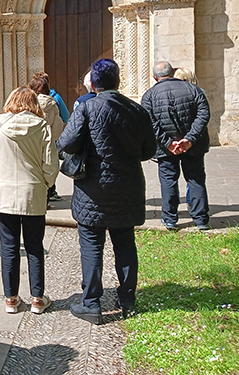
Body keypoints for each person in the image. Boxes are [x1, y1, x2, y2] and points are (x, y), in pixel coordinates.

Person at [57, 59, 156, 324]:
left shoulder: (87, 108)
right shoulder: (137, 110)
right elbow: (149, 151)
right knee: (125, 243)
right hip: (128, 187)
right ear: (118, 81)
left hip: (93, 188)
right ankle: (127, 300)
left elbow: (67, 143)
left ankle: (91, 302)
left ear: (93, 84)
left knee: (91, 245)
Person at [0, 86, 59, 314]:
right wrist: (45, 183)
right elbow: (51, 164)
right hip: (32, 191)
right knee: (34, 246)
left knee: (9, 247)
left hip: (4, 192)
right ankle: (37, 298)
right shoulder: (42, 126)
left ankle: (11, 299)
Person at [141, 61, 211, 231]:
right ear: (172, 72)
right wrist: (189, 139)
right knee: (195, 179)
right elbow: (204, 115)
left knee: (168, 180)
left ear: (154, 77)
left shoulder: (149, 95)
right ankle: (201, 219)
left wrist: (168, 142)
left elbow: (149, 122)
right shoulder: (194, 90)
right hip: (192, 146)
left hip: (166, 149)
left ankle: (170, 219)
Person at [28, 77, 65, 203]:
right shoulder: (53, 104)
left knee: (34, 167)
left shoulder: (30, 104)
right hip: (48, 138)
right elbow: (58, 124)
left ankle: (36, 196)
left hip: (33, 139)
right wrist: (54, 138)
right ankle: (48, 195)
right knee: (48, 165)